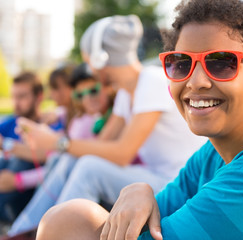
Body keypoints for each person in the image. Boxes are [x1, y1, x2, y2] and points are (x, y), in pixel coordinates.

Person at [35, 0, 243, 239]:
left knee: (70, 220)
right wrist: (140, 189)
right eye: (179, 63)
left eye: (221, 63)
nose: (196, 81)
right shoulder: (213, 156)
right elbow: (157, 212)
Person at [13, 14, 205, 236]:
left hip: (176, 185)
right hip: (152, 177)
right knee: (71, 159)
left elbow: (122, 153)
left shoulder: (151, 81)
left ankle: (52, 232)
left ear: (99, 58)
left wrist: (58, 142)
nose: (90, 70)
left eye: (88, 62)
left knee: (89, 168)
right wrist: (58, 144)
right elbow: (101, 143)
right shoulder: (126, 93)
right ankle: (27, 230)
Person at [5, 63, 113, 236]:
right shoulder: (68, 116)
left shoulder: (91, 120)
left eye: (57, 88)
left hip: (49, 181)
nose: (53, 94)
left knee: (68, 161)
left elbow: (51, 156)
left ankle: (31, 230)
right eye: (80, 94)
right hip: (50, 180)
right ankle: (25, 230)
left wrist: (18, 177)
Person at [0, 72, 62, 223]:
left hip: (32, 194)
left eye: (22, 96)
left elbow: (47, 155)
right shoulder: (9, 124)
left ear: (39, 97)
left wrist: (7, 145)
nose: (16, 102)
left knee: (21, 160)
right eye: (14, 96)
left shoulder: (52, 125)